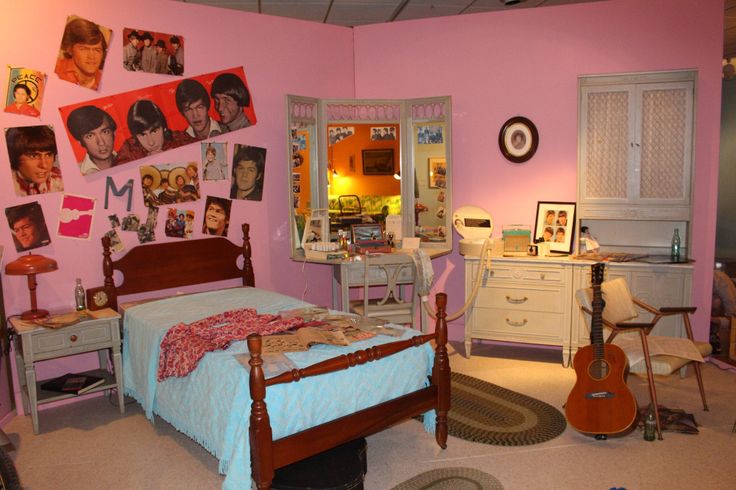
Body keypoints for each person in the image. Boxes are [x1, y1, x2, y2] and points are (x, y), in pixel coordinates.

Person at [116, 99, 194, 163]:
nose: (151, 142)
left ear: (163, 127)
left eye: (154, 131)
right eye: (142, 135)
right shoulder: (128, 150)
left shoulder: (181, 140)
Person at [6, 125, 64, 196]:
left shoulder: (61, 179)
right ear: (15, 157)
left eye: (48, 155)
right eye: (33, 156)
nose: (44, 165)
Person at [54, 17, 107, 90]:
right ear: (70, 50)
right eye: (84, 49)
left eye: (97, 50)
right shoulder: (56, 71)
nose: (91, 56)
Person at [66, 105, 118, 175]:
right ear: (80, 142)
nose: (101, 143)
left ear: (114, 133)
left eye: (105, 132)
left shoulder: (130, 158)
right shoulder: (76, 173)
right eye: (90, 136)